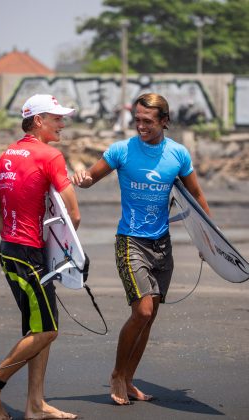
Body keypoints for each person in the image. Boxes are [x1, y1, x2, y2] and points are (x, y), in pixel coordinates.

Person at [72, 92, 211, 406]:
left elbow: (197, 196)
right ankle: (118, 374)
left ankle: (130, 378)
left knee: (150, 318)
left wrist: (209, 243)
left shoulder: (178, 154)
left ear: (164, 121)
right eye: (137, 119)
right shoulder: (122, 150)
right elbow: (90, 178)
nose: (140, 126)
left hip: (162, 245)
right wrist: (82, 177)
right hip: (130, 241)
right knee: (142, 310)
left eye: (147, 121)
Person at [0, 94, 80, 419]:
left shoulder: (6, 156)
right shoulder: (50, 156)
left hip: (10, 251)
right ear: (37, 121)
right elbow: (73, 216)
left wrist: (15, 237)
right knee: (48, 330)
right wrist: (54, 252)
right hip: (30, 255)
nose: (62, 123)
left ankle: (35, 404)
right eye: (56, 117)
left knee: (36, 329)